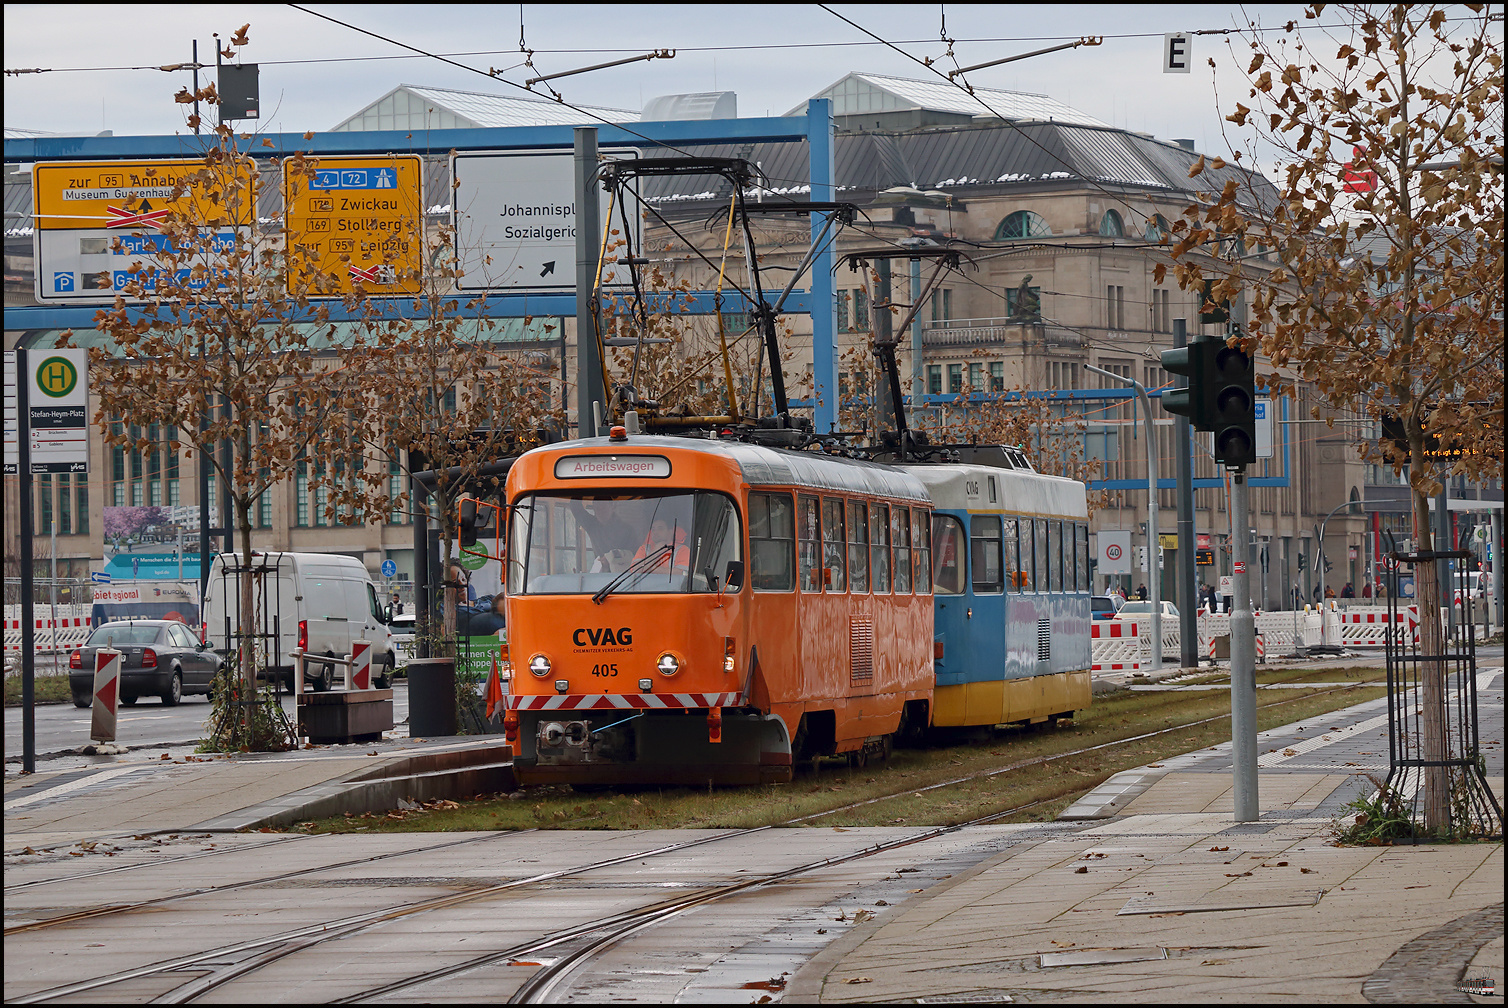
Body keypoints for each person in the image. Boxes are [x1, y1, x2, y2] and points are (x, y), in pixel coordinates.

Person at [572, 499, 640, 573]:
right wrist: (582, 488)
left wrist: (612, 557)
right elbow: (576, 509)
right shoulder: (592, 525)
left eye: (603, 507)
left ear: (612, 507)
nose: (600, 511)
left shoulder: (627, 530)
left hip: (623, 575)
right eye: (597, 508)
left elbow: (635, 556)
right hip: (601, 576)